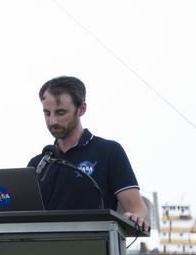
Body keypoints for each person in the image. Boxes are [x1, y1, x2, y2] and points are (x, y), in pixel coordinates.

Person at [29, 76, 149, 231]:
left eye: (60, 113)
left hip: (96, 250)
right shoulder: (37, 164)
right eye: (47, 113)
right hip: (42, 254)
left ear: (82, 109)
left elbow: (137, 209)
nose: (52, 121)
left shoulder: (109, 152)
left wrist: (136, 217)